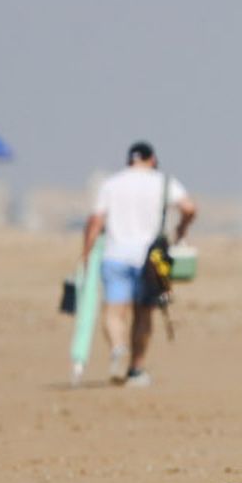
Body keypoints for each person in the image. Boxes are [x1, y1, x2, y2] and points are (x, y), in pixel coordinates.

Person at [81, 141, 198, 386]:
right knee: (143, 314)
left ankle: (117, 347)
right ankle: (136, 369)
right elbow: (189, 208)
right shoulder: (163, 182)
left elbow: (95, 222)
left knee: (114, 312)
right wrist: (181, 228)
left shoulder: (111, 184)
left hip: (114, 255)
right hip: (150, 259)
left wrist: (86, 253)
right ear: (152, 159)